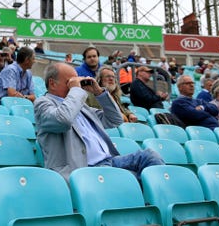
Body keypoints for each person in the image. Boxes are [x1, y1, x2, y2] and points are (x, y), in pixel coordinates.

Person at [34, 62, 163, 182]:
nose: (76, 84)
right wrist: (76, 90)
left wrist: (99, 92)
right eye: (70, 82)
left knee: (149, 156)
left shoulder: (80, 106)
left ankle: (158, 198)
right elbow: (63, 120)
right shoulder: (43, 103)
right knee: (132, 180)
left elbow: (115, 120)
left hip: (110, 161)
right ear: (52, 83)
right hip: (85, 168)